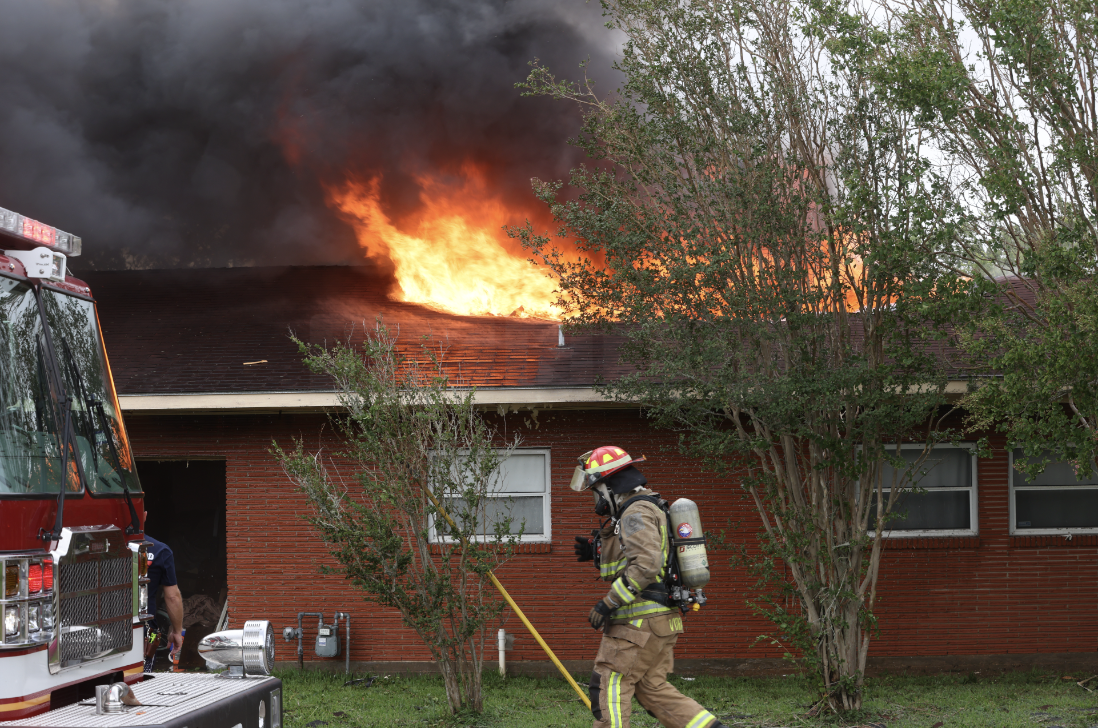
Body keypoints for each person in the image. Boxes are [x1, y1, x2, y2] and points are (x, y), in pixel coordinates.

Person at [571, 446, 726, 728]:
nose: (597, 498)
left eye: (597, 489)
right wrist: (596, 550)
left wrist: (608, 602)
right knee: (652, 689)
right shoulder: (650, 505)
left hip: (637, 624)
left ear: (610, 484)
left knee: (610, 683)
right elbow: (644, 557)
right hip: (661, 622)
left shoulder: (634, 512)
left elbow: (646, 565)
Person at [143, 511, 184, 673]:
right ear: (145, 515)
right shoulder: (160, 550)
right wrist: (176, 631)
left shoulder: (97, 547)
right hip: (147, 632)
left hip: (104, 631)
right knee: (142, 680)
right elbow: (173, 596)